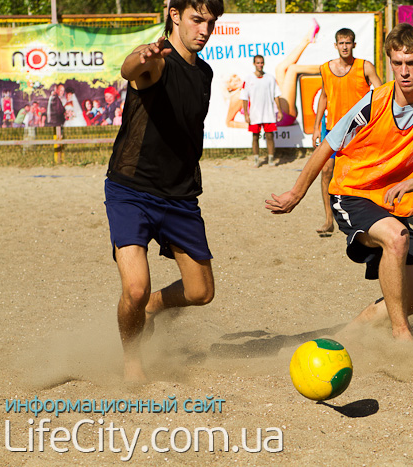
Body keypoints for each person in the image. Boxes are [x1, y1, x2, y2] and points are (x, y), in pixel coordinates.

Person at [266, 22, 413, 341]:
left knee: (412, 300)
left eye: (412, 63)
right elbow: (328, 145)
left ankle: (346, 337)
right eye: (397, 63)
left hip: (393, 205)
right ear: (390, 61)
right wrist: (295, 193)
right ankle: (403, 337)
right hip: (353, 193)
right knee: (397, 238)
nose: (403, 71)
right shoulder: (375, 100)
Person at [104, 0, 223, 381]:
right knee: (135, 290)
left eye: (210, 22)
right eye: (197, 19)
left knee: (201, 291)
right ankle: (132, 360)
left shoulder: (204, 72)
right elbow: (131, 70)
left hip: (181, 196)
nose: (204, 29)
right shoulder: (157, 61)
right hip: (132, 190)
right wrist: (140, 56)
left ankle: (154, 307)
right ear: (175, 16)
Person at [312, 28, 382, 236]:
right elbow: (324, 97)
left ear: (354, 45)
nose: (344, 46)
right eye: (341, 43)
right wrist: (317, 127)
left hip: (358, 131)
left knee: (360, 174)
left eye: (348, 42)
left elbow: (381, 94)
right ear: (336, 45)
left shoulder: (364, 66)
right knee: (326, 172)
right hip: (332, 129)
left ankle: (367, 217)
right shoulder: (325, 68)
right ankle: (328, 220)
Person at [241, 54, 283, 167]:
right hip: (255, 114)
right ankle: (256, 159)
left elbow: (276, 95)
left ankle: (270, 159)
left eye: (261, 62)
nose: (260, 65)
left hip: (268, 113)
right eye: (258, 63)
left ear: (264, 63)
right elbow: (244, 97)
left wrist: (279, 110)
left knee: (270, 136)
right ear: (254, 64)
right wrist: (246, 114)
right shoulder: (248, 79)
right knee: (255, 136)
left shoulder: (270, 78)